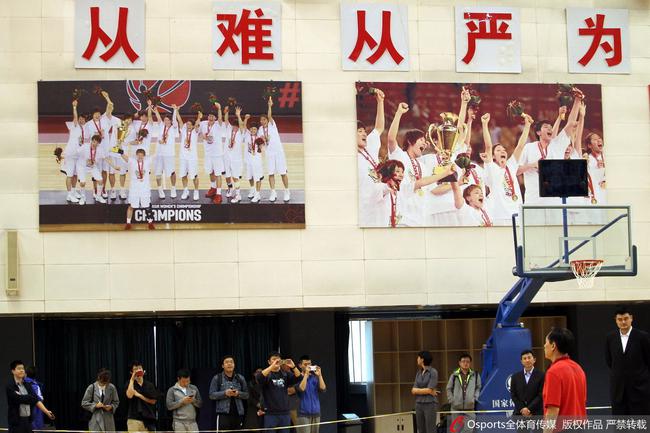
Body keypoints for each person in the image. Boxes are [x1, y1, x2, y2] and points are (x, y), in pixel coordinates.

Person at [387, 102, 456, 226]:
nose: (425, 144)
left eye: (425, 142)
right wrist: (399, 113)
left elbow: (433, 188)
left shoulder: (423, 166)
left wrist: (456, 182)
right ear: (409, 141)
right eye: (421, 140)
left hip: (421, 218)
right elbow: (391, 138)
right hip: (403, 216)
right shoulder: (400, 156)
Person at [517, 92, 583, 205]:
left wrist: (577, 100)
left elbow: (571, 123)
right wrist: (532, 165)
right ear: (538, 132)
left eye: (551, 127)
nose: (550, 129)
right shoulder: (529, 147)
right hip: (533, 201)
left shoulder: (557, 145)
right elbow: (516, 171)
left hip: (554, 200)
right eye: (546, 127)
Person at [480, 112, 530, 225]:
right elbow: (488, 146)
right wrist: (484, 124)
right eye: (498, 150)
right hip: (499, 215)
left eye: (503, 150)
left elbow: (520, 146)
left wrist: (527, 126)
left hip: (516, 213)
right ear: (492, 156)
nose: (502, 151)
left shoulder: (511, 165)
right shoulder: (490, 167)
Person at [605, 306, 650, 415]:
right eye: (620, 319)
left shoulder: (642, 337)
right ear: (616, 320)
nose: (623, 322)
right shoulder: (610, 337)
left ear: (631, 318)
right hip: (618, 391)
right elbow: (609, 361)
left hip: (639, 390)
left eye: (626, 318)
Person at [542, 328, 586, 433]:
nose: (544, 346)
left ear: (553, 346)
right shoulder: (578, 368)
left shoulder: (553, 372)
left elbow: (553, 410)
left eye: (546, 342)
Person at [357, 88, 386, 227]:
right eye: (359, 131)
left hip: (379, 206)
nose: (364, 134)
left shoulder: (369, 149)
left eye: (364, 131)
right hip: (362, 210)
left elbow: (379, 128)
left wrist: (380, 102)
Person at [256, 352, 303, 433]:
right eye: (274, 359)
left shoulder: (285, 374)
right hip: (270, 414)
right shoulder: (267, 374)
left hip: (285, 413)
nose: (277, 361)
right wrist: (271, 367)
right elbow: (259, 377)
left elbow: (299, 378)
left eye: (278, 359)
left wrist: (293, 366)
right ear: (269, 362)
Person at [6, 360, 54, 433]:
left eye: (23, 368)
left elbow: (36, 400)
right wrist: (29, 397)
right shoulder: (10, 386)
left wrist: (47, 412)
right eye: (19, 368)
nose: (22, 370)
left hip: (28, 421)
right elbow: (19, 399)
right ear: (13, 371)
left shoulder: (28, 385)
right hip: (16, 422)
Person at [257, 96, 290, 202]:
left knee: (283, 173)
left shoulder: (272, 125)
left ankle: (286, 191)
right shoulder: (260, 130)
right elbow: (260, 144)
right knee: (270, 173)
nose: (262, 121)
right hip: (269, 154)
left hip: (278, 152)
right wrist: (261, 146)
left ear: (267, 120)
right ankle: (273, 192)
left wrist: (269, 106)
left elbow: (270, 115)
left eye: (264, 119)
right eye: (261, 120)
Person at [116, 148, 155, 230]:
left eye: (142, 155)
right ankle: (128, 223)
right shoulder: (133, 161)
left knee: (147, 206)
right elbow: (126, 158)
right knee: (131, 206)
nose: (140, 156)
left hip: (145, 188)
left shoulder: (147, 161)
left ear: (144, 156)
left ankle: (150, 222)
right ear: (136, 155)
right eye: (139, 155)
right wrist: (121, 152)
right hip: (134, 188)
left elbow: (155, 154)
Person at [209, 355, 249, 432]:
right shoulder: (217, 378)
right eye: (227, 362)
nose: (229, 364)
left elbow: (247, 395)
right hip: (223, 414)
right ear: (222, 366)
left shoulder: (240, 378)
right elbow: (211, 395)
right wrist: (225, 393)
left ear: (234, 365)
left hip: (238, 413)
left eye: (231, 362)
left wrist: (237, 393)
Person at [446, 353, 481, 433]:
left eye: (468, 361)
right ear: (459, 363)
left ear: (470, 363)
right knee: (455, 430)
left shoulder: (475, 375)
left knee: (469, 430)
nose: (465, 363)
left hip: (470, 409)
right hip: (456, 409)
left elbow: (478, 387)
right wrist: (452, 400)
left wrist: (475, 398)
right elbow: (448, 388)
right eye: (463, 361)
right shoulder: (454, 375)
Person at [510, 350, 545, 427]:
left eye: (529, 357)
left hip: (536, 413)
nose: (527, 360)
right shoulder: (515, 377)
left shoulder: (542, 375)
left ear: (534, 359)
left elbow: (541, 394)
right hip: (520, 413)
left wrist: (529, 409)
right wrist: (523, 409)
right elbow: (513, 395)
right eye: (524, 358)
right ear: (521, 361)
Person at [199, 103, 225, 203]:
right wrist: (203, 136)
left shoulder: (218, 125)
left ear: (215, 118)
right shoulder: (203, 123)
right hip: (207, 154)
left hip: (217, 154)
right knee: (210, 172)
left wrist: (219, 109)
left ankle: (218, 194)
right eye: (209, 116)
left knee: (218, 174)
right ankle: (213, 188)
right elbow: (197, 130)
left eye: (212, 116)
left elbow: (220, 119)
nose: (210, 118)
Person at [153, 105, 179, 199]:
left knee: (172, 172)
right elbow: (158, 118)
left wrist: (175, 110)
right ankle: (160, 190)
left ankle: (173, 188)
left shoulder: (174, 128)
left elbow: (175, 120)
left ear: (171, 121)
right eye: (165, 120)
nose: (166, 121)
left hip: (169, 154)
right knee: (158, 173)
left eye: (168, 120)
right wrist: (156, 111)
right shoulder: (161, 126)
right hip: (159, 154)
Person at [81, 368, 120, 432]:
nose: (104, 384)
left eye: (106, 383)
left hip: (108, 420)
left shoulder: (112, 387)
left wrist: (111, 407)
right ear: (99, 378)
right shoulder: (91, 387)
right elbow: (84, 403)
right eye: (102, 382)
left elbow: (116, 402)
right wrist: (95, 405)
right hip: (95, 420)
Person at [62, 100, 86, 203]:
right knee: (69, 175)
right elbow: (75, 117)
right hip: (71, 154)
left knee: (75, 174)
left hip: (78, 155)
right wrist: (75, 107)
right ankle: (69, 194)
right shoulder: (74, 125)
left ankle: (74, 191)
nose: (81, 120)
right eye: (80, 118)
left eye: (83, 119)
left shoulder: (84, 129)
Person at [295, 355, 327, 433]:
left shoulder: (314, 377)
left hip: (316, 412)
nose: (308, 366)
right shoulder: (297, 377)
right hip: (303, 414)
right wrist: (305, 375)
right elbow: (301, 389)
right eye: (305, 364)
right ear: (300, 365)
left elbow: (323, 389)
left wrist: (320, 375)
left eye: (309, 364)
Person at [125, 360, 159, 433]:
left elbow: (153, 401)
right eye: (135, 369)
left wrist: (139, 395)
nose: (138, 370)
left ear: (143, 371)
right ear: (131, 372)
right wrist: (132, 379)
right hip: (133, 419)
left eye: (140, 368)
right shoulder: (129, 383)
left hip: (148, 419)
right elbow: (129, 395)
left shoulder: (149, 385)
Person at [176, 109, 202, 201]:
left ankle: (196, 191)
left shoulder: (195, 131)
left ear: (193, 125)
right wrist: (176, 111)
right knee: (183, 175)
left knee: (194, 176)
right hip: (183, 157)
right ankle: (185, 190)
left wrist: (199, 117)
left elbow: (198, 123)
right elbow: (179, 120)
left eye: (190, 124)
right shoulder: (183, 130)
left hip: (192, 158)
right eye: (187, 124)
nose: (188, 126)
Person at [77, 134, 109, 205]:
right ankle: (83, 197)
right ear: (91, 141)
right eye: (93, 141)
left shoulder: (100, 149)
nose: (94, 143)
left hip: (92, 167)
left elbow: (106, 158)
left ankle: (98, 196)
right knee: (82, 182)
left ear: (99, 143)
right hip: (82, 167)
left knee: (100, 180)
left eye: (96, 142)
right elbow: (76, 152)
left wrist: (114, 166)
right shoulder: (85, 146)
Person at [411, 351, 438, 433]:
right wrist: (427, 391)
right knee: (420, 429)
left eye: (418, 357)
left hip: (430, 403)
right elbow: (413, 390)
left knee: (430, 429)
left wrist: (420, 390)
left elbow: (430, 389)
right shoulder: (418, 373)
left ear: (422, 359)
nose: (417, 359)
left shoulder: (433, 372)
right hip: (418, 404)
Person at [23, 367, 45, 431]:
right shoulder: (35, 385)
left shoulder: (20, 384)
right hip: (34, 414)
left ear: (26, 374)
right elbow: (40, 399)